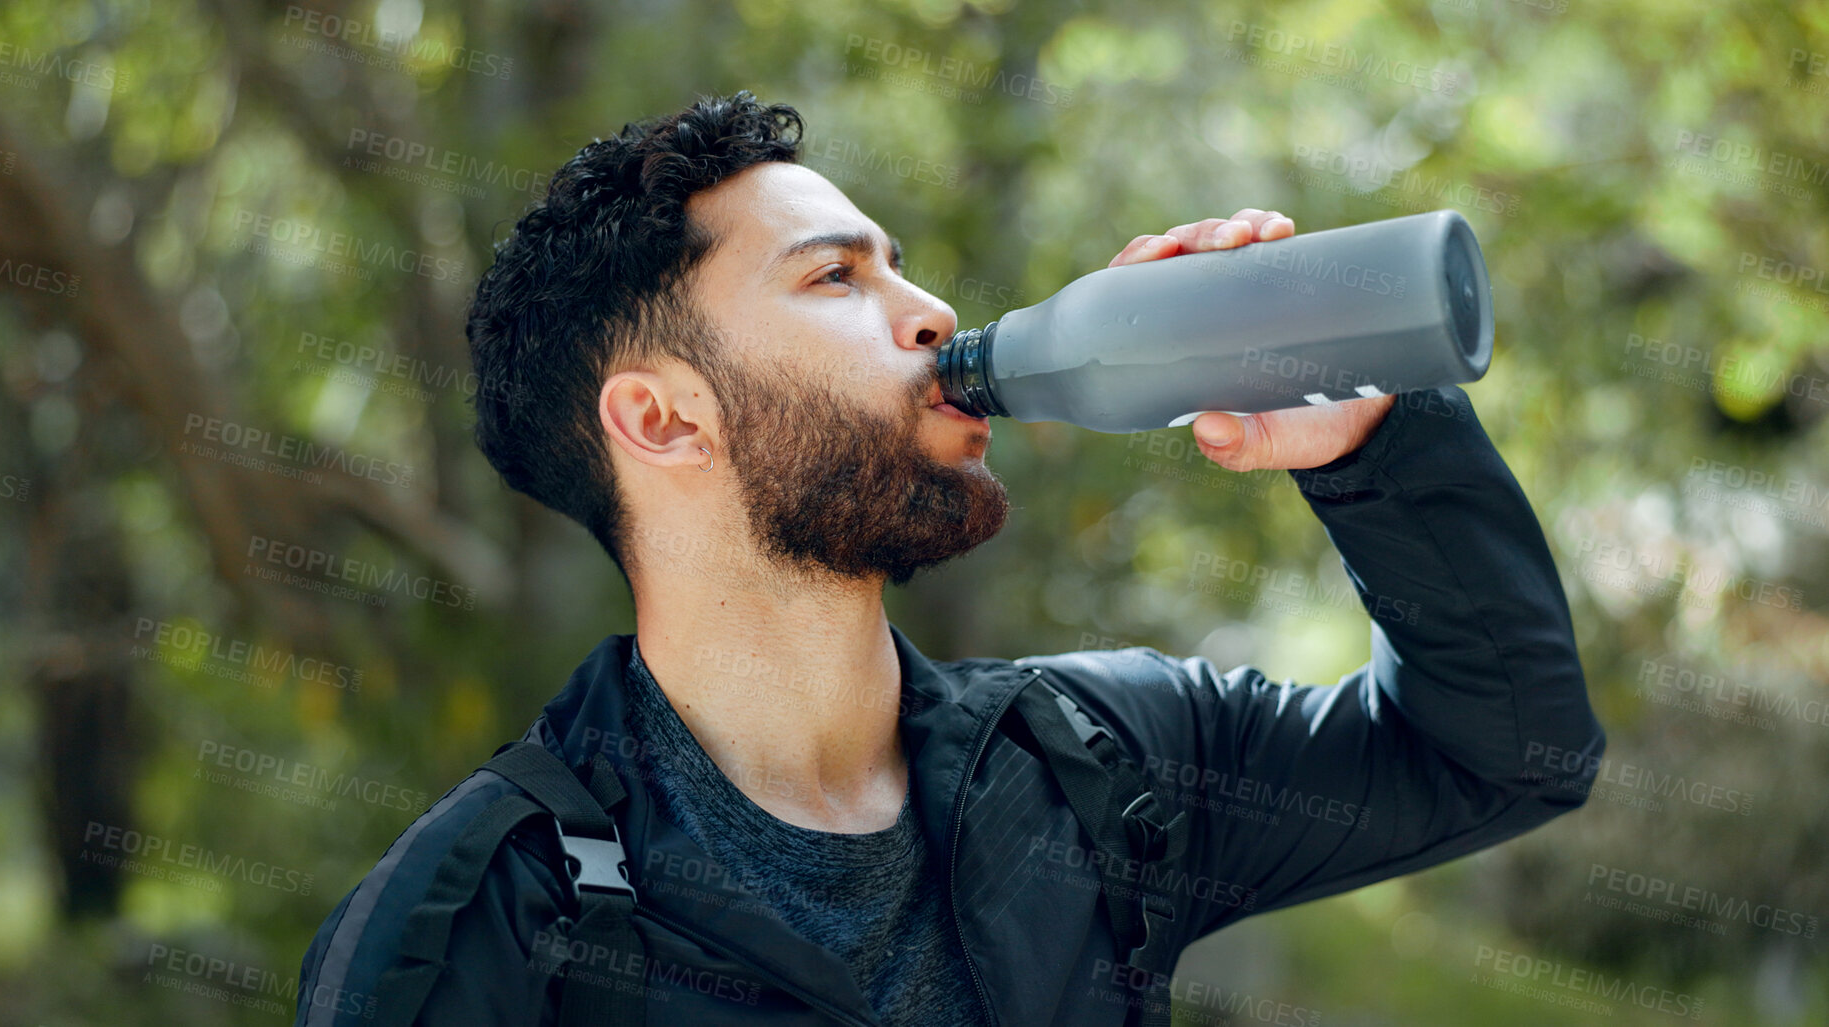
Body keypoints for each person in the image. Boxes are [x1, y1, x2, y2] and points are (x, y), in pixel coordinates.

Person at [294, 91, 1604, 1027]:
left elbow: (1504, 756)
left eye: (903, 269)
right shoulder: (477, 932)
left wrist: (1369, 435)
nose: (931, 314)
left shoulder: (1098, 763)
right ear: (662, 416)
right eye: (833, 280)